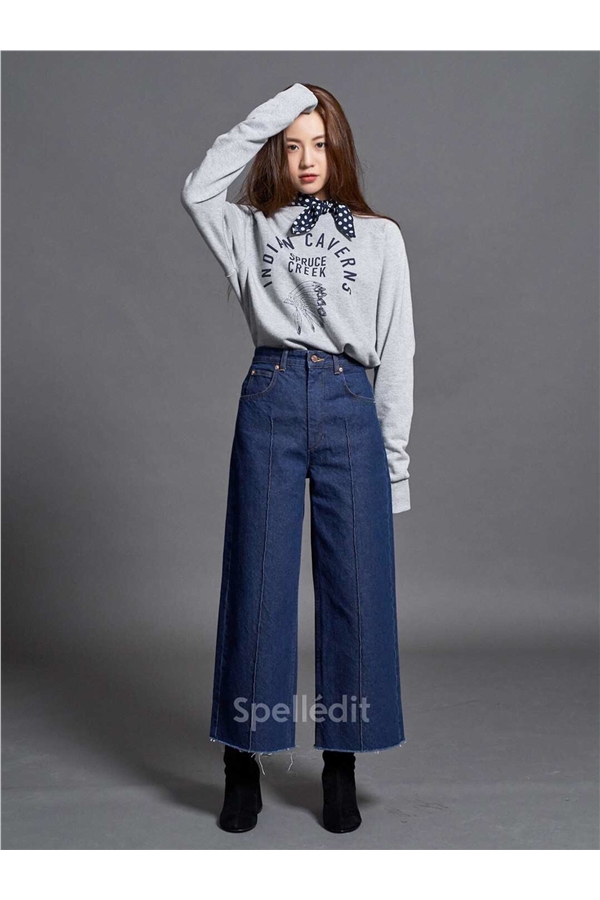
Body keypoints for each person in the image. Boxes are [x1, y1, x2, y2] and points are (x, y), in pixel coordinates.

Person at [180, 82, 415, 834]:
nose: (306, 158)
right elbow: (197, 187)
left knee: (357, 590)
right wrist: (281, 105)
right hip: (272, 397)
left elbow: (398, 354)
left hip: (349, 404)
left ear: (339, 151)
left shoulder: (380, 238)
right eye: (292, 145)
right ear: (275, 150)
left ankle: (341, 763)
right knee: (259, 582)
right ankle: (242, 760)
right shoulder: (249, 228)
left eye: (319, 143)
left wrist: (397, 468)